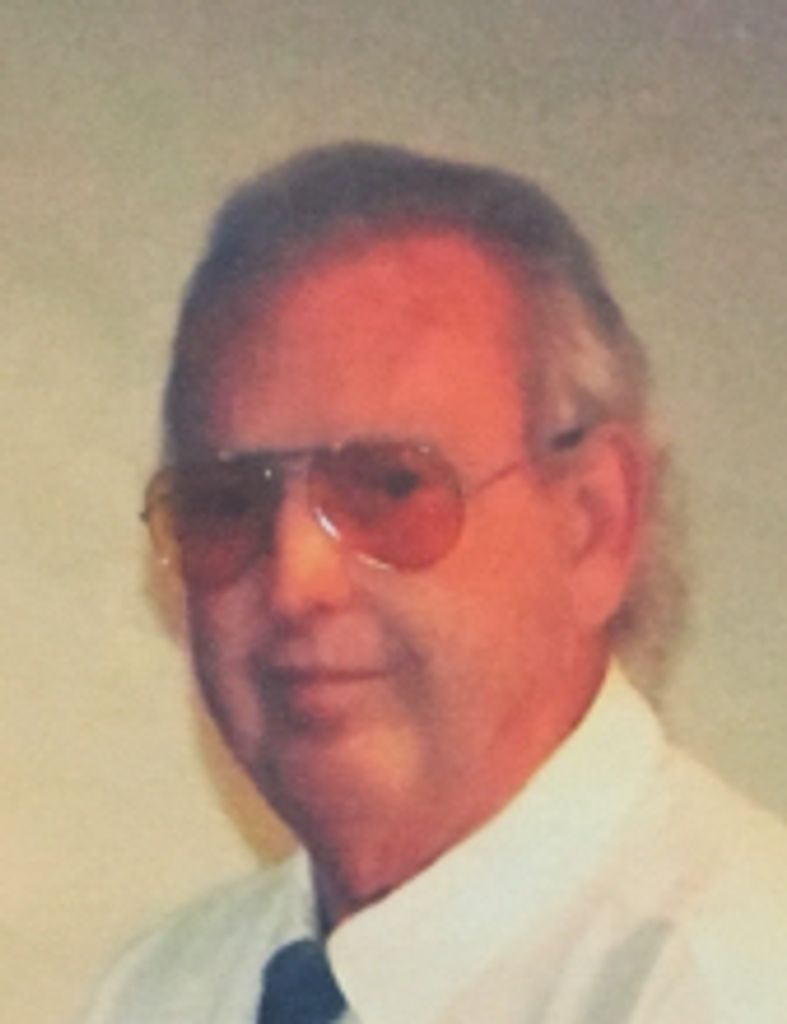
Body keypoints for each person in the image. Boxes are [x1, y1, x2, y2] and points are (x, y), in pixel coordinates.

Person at [83, 143, 787, 1023]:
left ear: (591, 524)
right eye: (227, 502)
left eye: (388, 488)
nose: (295, 581)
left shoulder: (734, 983)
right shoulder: (164, 992)